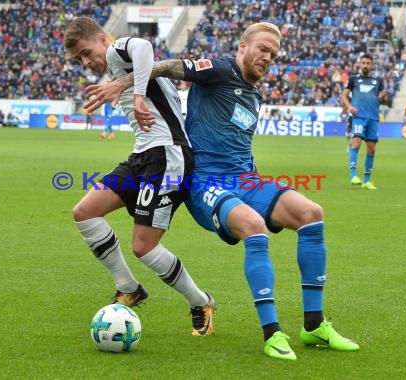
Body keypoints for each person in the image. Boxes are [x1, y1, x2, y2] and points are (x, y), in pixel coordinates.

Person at [84, 22, 359, 361]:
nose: (267, 57)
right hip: (204, 182)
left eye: (273, 53)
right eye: (262, 48)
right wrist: (125, 82)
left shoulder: (253, 95)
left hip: (245, 180)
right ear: (242, 47)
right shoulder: (219, 68)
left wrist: (260, 186)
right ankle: (272, 333)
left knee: (311, 214)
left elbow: (241, 146)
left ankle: (314, 325)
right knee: (253, 227)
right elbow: (167, 66)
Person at [63, 16, 214, 336]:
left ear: (103, 39)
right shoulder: (122, 69)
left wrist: (138, 94)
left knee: (143, 246)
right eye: (80, 59)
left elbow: (144, 46)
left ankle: (200, 301)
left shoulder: (118, 51)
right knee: (85, 212)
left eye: (87, 52)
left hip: (167, 157)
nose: (87, 61)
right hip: (144, 157)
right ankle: (128, 286)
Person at [342, 53, 387, 190]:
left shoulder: (378, 80)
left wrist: (383, 97)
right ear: (360, 64)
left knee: (372, 149)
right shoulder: (353, 79)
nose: (365, 65)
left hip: (373, 117)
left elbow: (380, 99)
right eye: (363, 63)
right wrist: (350, 107)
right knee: (355, 143)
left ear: (372, 65)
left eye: (368, 63)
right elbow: (344, 96)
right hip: (359, 116)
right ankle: (354, 175)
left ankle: (367, 180)